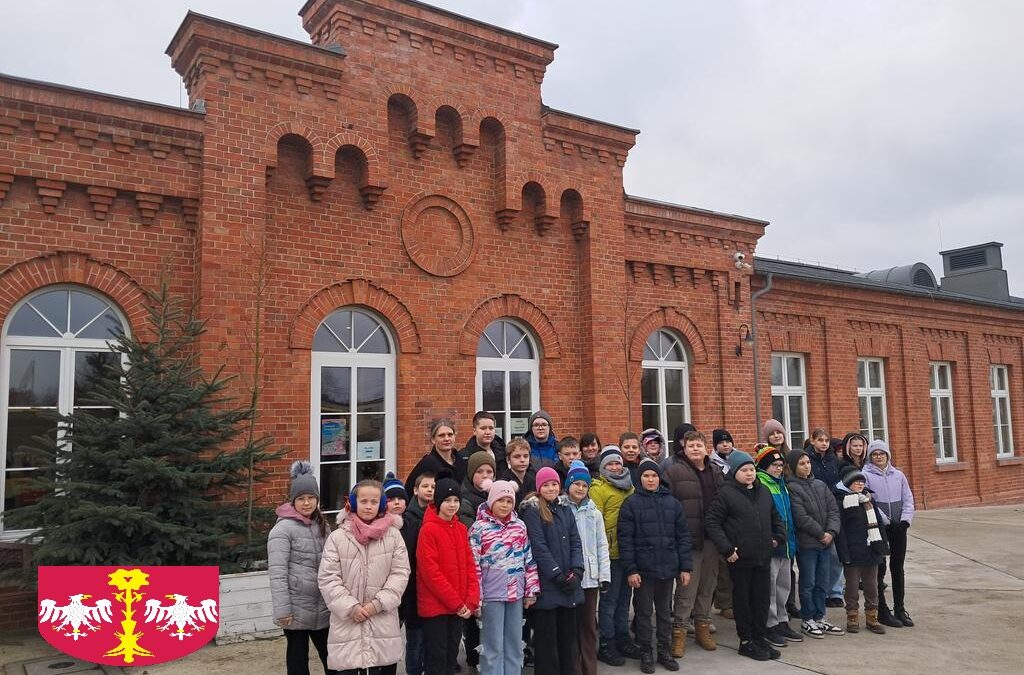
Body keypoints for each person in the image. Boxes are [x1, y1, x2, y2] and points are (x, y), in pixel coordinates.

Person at [318, 479, 410, 675]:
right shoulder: (338, 538)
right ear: (352, 502)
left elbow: (400, 573)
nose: (369, 506)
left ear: (382, 505)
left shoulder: (393, 536)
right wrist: (351, 607)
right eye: (364, 501)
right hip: (347, 627)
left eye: (374, 502)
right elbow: (328, 578)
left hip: (382, 625)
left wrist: (378, 603)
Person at [705, 451, 786, 662]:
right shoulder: (726, 493)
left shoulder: (764, 491)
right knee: (743, 601)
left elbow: (775, 517)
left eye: (751, 469)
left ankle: (760, 637)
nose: (749, 474)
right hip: (740, 558)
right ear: (735, 472)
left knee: (761, 600)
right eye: (744, 470)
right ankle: (746, 641)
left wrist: (778, 537)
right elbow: (712, 523)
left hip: (762, 556)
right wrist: (728, 549)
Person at [619, 458, 693, 673]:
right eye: (646, 476)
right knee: (643, 613)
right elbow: (626, 539)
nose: (650, 480)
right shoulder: (631, 504)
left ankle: (664, 650)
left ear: (659, 477)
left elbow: (683, 537)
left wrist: (685, 567)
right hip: (643, 570)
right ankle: (646, 651)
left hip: (667, 568)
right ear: (639, 479)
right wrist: (631, 569)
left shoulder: (672, 503)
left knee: (663, 612)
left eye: (654, 476)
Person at [663, 430, 723, 657]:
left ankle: (702, 628)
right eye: (691, 446)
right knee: (687, 589)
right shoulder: (674, 472)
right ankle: (678, 633)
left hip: (712, 540)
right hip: (688, 541)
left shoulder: (716, 472)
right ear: (684, 449)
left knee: (708, 587)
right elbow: (667, 507)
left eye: (699, 445)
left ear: (706, 447)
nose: (695, 449)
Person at [519, 466, 585, 675]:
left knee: (568, 641)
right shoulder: (532, 510)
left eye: (554, 484)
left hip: (569, 584)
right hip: (548, 585)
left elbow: (576, 541)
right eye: (546, 485)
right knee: (547, 644)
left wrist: (577, 571)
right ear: (539, 487)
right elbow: (538, 547)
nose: (551, 488)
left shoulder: (565, 508)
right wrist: (557, 574)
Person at [268, 461, 332, 675]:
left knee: (333, 658)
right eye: (301, 499)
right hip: (296, 609)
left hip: (323, 606)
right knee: (297, 660)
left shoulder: (323, 525)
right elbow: (277, 573)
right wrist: (283, 610)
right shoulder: (282, 530)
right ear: (293, 501)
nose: (306, 503)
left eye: (311, 498)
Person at [469, 479, 539, 675]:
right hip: (491, 595)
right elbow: (473, 564)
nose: (505, 505)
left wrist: (530, 590)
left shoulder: (520, 526)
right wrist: (477, 596)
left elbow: (529, 558)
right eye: (501, 500)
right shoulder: (479, 528)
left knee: (515, 642)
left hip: (515, 593)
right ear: (492, 501)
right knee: (493, 644)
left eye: (509, 501)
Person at [417, 477, 480, 675]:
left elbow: (470, 565)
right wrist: (456, 603)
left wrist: (471, 601)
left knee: (451, 658)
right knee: (437, 659)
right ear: (438, 502)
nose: (452, 505)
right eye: (447, 500)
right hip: (437, 608)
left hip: (459, 608)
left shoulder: (461, 529)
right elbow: (430, 573)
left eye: (456, 500)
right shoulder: (428, 530)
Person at [784, 449, 844, 638]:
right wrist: (820, 533)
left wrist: (831, 532)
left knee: (822, 582)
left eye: (808, 462)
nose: (807, 466)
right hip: (808, 543)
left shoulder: (820, 484)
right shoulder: (792, 487)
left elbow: (833, 509)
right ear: (793, 467)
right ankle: (807, 618)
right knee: (808, 582)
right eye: (802, 464)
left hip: (825, 543)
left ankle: (820, 616)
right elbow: (800, 516)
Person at [590, 446, 639, 665]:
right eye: (609, 463)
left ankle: (623, 638)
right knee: (609, 602)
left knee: (623, 600)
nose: (615, 466)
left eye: (617, 463)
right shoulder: (598, 488)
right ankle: (607, 643)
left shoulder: (630, 487)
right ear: (602, 467)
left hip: (627, 552)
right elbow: (596, 521)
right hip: (609, 554)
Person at [564, 460, 611, 675]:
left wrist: (604, 576)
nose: (580, 488)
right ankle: (573, 668)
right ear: (568, 485)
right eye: (576, 484)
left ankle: (589, 669)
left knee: (588, 626)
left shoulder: (595, 513)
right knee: (570, 629)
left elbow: (602, 545)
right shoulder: (562, 510)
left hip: (590, 578)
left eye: (584, 485)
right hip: (570, 577)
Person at [753, 444, 802, 648]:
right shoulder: (761, 484)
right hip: (772, 544)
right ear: (764, 466)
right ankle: (770, 623)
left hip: (787, 544)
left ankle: (782, 620)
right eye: (774, 465)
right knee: (770, 588)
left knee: (785, 586)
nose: (778, 468)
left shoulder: (781, 483)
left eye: (780, 465)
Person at [864, 439, 915, 628]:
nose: (879, 457)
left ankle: (900, 608)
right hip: (880, 528)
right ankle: (883, 609)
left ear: (888, 456)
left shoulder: (899, 475)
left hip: (899, 528)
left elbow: (908, 498)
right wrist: (886, 521)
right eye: (875, 454)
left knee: (897, 568)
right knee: (880, 569)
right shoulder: (866, 475)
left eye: (882, 454)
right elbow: (869, 501)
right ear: (870, 457)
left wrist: (905, 520)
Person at [834, 467, 889, 635]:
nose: (859, 484)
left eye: (862, 482)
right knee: (851, 587)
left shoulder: (869, 501)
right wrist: (843, 552)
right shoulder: (843, 502)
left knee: (872, 586)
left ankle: (872, 617)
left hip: (871, 550)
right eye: (856, 482)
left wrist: (882, 545)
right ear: (848, 484)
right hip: (853, 552)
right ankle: (852, 617)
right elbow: (841, 530)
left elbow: (879, 524)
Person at [457, 452, 495, 670]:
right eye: (480, 472)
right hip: (475, 567)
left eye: (489, 472)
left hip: (497, 570)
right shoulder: (465, 499)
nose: (484, 476)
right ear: (472, 475)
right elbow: (471, 531)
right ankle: (474, 662)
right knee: (474, 620)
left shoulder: (497, 496)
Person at [805, 428, 845, 608]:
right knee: (819, 556)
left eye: (826, 440)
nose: (824, 443)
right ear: (812, 440)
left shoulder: (834, 461)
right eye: (820, 440)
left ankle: (834, 591)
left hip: (834, 509)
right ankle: (819, 591)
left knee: (836, 555)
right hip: (814, 511)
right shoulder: (806, 460)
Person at [400, 472, 435, 675]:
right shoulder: (408, 520)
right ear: (415, 490)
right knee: (415, 640)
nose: (430, 490)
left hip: (431, 587)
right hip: (413, 588)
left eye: (433, 486)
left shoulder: (438, 515)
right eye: (425, 486)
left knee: (430, 640)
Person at [709, 428, 735, 620]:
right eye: (721, 442)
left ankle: (730, 601)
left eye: (728, 441)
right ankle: (724, 603)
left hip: (734, 518)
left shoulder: (737, 462)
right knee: (719, 565)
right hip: (718, 516)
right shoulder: (712, 464)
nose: (725, 445)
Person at [405, 419, 467, 494]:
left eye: (450, 435)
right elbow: (409, 490)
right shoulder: (428, 464)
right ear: (433, 439)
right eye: (441, 435)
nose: (447, 439)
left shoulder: (461, 463)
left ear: (454, 437)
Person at [498, 437, 536, 505]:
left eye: (525, 456)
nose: (522, 460)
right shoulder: (503, 482)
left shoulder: (533, 479)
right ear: (508, 460)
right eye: (517, 456)